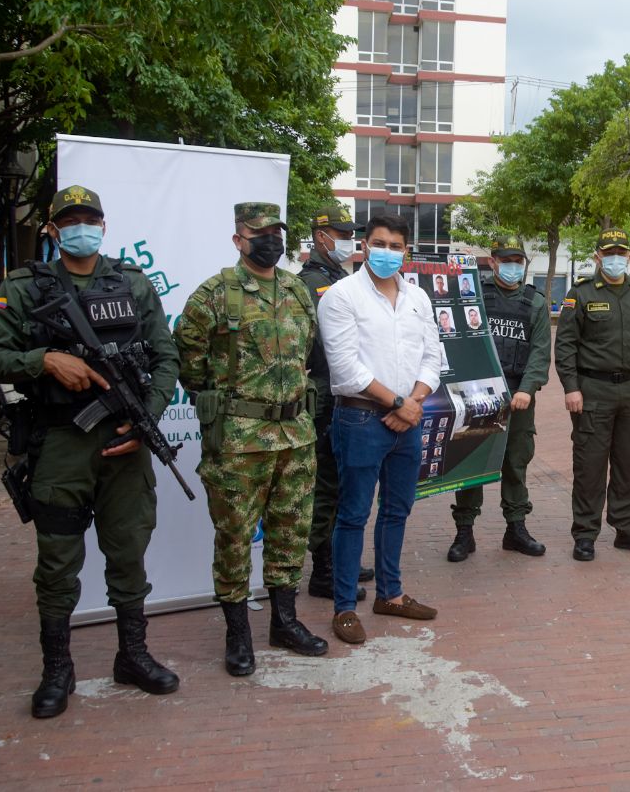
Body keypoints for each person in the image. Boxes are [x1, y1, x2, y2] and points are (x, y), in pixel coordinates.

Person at [0, 185, 180, 718]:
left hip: (124, 443)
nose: (80, 228)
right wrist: (45, 360)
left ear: (104, 226)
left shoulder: (132, 283)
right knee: (57, 562)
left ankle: (132, 656)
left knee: (128, 551)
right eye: (69, 221)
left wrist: (146, 419)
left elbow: (165, 357)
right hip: (61, 444)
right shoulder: (24, 286)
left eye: (89, 219)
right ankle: (57, 669)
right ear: (53, 229)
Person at [176, 202, 328, 677]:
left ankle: (285, 622)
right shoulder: (214, 295)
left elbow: (308, 352)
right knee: (235, 538)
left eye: (276, 233)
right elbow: (189, 363)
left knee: (290, 532)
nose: (271, 241)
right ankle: (237, 633)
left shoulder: (297, 290)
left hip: (296, 436)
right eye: (260, 233)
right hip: (239, 441)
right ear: (238, 239)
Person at [317, 213, 442, 644]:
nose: (387, 252)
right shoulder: (341, 296)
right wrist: (398, 403)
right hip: (360, 419)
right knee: (353, 514)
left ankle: (391, 593)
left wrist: (413, 402)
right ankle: (344, 607)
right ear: (365, 246)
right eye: (380, 244)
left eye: (396, 246)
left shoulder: (418, 298)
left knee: (396, 510)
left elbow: (433, 358)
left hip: (407, 419)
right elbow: (345, 368)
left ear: (406, 251)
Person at [555, 228, 630, 561]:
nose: (615, 258)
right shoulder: (580, 294)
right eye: (609, 253)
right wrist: (571, 387)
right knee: (589, 465)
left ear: (629, 256)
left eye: (621, 253)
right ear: (597, 257)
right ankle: (585, 534)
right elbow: (565, 345)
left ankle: (626, 529)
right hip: (593, 390)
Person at [447, 236, 551, 562]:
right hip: (478, 395)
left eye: (518, 261)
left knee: (516, 462)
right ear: (492, 262)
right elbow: (457, 334)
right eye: (506, 261)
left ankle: (515, 529)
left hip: (518, 395)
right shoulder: (475, 295)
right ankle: (464, 532)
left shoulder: (535, 303)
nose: (512, 267)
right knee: (471, 461)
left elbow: (540, 353)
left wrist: (527, 389)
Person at [296, 204, 371, 602]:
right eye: (342, 235)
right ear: (320, 237)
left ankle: (342, 559)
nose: (348, 241)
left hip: (346, 390)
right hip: (324, 392)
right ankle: (323, 571)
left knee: (343, 480)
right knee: (327, 482)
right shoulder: (310, 283)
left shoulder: (339, 278)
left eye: (350, 235)